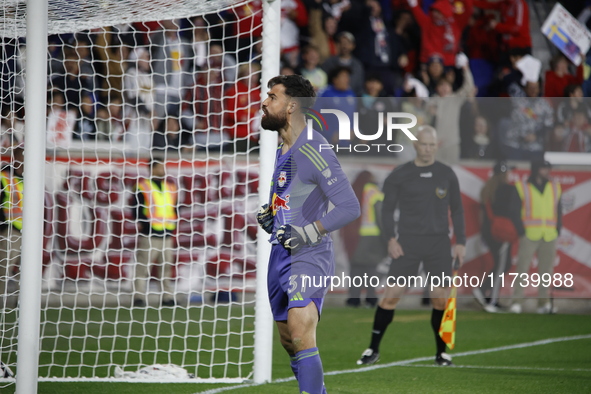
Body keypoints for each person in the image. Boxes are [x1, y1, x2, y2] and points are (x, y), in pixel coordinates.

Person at [256, 75, 359, 394]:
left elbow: (349, 206)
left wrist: (308, 230)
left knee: (301, 334)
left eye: (271, 97)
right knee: (291, 342)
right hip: (280, 254)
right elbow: (294, 201)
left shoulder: (314, 148)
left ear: (291, 106)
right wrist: (272, 217)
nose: (264, 101)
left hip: (308, 255)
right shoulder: (282, 150)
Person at [356, 125, 466, 367]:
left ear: (437, 146)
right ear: (415, 145)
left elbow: (457, 210)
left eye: (431, 145)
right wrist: (390, 240)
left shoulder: (447, 174)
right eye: (423, 144)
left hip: (438, 243)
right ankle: (372, 349)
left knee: (439, 300)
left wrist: (461, 242)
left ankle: (441, 353)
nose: (427, 149)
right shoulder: (400, 174)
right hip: (407, 243)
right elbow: (385, 210)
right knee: (390, 298)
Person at [510, 160, 562, 314]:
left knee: (546, 271)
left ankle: (543, 303)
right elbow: (514, 210)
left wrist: (558, 229)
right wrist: (521, 231)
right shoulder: (522, 186)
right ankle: (516, 302)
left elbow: (558, 210)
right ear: (535, 169)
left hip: (549, 234)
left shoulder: (555, 187)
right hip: (529, 234)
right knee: (522, 269)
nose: (547, 171)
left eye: (548, 168)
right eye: (543, 168)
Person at [474, 161, 522, 312]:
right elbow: (514, 212)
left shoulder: (488, 189)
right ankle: (489, 298)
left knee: (502, 264)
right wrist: (520, 231)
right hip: (502, 233)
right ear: (505, 174)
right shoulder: (509, 189)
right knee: (502, 265)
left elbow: (484, 213)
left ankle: (488, 295)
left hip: (490, 231)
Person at [131, 159, 178, 307]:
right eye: (160, 167)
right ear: (152, 168)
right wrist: (145, 224)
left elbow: (174, 208)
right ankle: (139, 297)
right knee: (143, 267)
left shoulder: (170, 187)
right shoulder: (142, 186)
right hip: (149, 234)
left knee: (166, 267)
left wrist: (172, 226)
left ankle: (167, 297)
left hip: (166, 233)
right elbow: (136, 209)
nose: (163, 170)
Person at [341, 170, 387, 307]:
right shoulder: (374, 192)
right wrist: (386, 238)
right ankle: (371, 297)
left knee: (355, 268)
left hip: (354, 236)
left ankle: (353, 298)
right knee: (371, 268)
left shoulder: (353, 190)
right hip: (372, 236)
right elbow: (380, 216)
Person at [0, 143, 24, 310]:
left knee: (28, 275)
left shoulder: (28, 179)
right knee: (3, 273)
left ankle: (23, 307)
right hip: (10, 231)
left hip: (29, 234)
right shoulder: (4, 177)